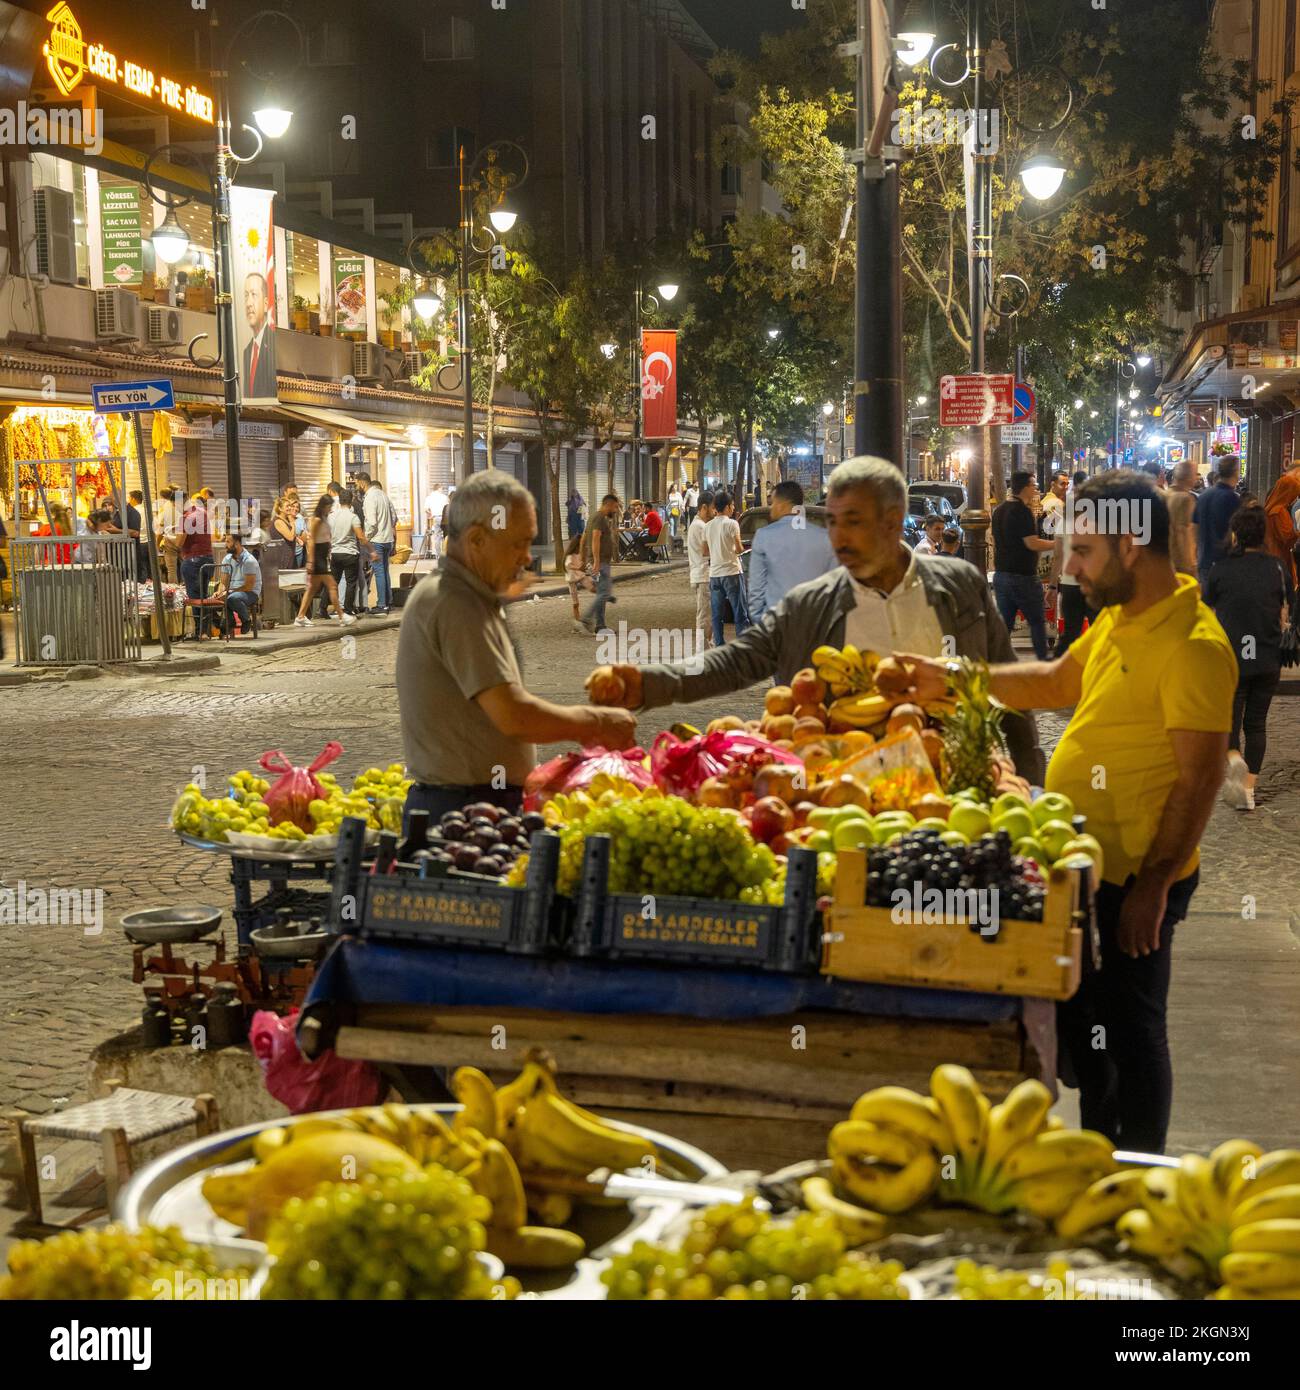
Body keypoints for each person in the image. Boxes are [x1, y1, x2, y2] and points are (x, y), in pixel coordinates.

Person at [904, 470, 1236, 1154]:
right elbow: (1053, 682)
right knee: (1095, 1037)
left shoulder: (1193, 647)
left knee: (1134, 1032)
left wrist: (1154, 887)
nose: (1067, 566)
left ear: (1130, 545)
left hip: (1136, 876)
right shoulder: (1122, 618)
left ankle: (1137, 1170)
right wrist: (950, 680)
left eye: (1082, 549)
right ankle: (1098, 1152)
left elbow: (1201, 780)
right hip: (1085, 867)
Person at [587, 456, 1043, 781]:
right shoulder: (811, 605)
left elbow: (1007, 685)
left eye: (854, 522)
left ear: (893, 520)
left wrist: (1030, 777)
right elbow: (735, 662)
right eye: (835, 522)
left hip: (953, 792)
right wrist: (648, 682)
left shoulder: (960, 587)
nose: (838, 536)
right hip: (839, 796)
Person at [397, 471, 637, 824]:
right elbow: (513, 715)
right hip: (461, 813)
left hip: (477, 803)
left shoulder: (469, 597)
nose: (527, 557)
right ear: (477, 540)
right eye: (517, 544)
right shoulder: (454, 603)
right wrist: (597, 721)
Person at [1205, 503, 1293, 812]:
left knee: (1230, 720)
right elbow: (1290, 606)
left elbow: (1206, 609)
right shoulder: (1278, 568)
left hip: (1233, 658)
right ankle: (1249, 789)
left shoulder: (1221, 569)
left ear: (1235, 534)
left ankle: (1234, 759)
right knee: (1257, 724)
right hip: (1267, 656)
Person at [748, 480, 836, 620]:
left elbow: (756, 586)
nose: (771, 508)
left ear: (782, 506)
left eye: (773, 503)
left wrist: (758, 619)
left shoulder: (764, 537)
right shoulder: (825, 538)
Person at [991, 470, 1055, 660]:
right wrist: (1057, 543)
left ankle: (996, 662)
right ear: (1025, 487)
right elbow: (1032, 543)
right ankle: (1043, 663)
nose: (1036, 489)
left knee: (1005, 624)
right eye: (1034, 485)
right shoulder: (1022, 512)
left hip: (1001, 575)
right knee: (1036, 621)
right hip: (1023, 577)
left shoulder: (1000, 510)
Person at [1054, 470, 1096, 656]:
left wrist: (1052, 587)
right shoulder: (1098, 523)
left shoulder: (1064, 522)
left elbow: (1058, 556)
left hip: (1069, 585)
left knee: (1071, 631)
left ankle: (1061, 668)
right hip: (1093, 585)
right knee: (1098, 631)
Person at [295, 495, 350, 627]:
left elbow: (325, 536)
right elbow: (312, 540)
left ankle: (300, 616)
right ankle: (342, 616)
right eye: (328, 506)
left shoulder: (324, 518)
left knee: (312, 589)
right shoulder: (317, 520)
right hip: (317, 556)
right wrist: (311, 560)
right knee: (331, 585)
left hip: (322, 555)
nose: (330, 509)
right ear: (323, 506)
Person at [706, 490, 748, 645]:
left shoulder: (708, 526)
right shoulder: (732, 524)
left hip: (715, 574)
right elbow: (738, 548)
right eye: (732, 506)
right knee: (739, 612)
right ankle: (741, 646)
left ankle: (719, 646)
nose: (733, 508)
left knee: (717, 615)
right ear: (728, 507)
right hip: (732, 572)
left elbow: (705, 550)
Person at [1193, 454, 1243, 584]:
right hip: (1224, 561)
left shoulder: (1203, 496)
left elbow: (1194, 528)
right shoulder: (1232, 498)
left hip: (1204, 560)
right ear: (1235, 472)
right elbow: (1236, 531)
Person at [327, 486, 373, 618]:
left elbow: (327, 536)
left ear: (339, 501)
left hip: (335, 553)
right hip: (350, 553)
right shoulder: (353, 517)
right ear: (351, 501)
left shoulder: (331, 517)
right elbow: (361, 537)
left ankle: (335, 608)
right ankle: (347, 609)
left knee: (334, 582)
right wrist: (371, 551)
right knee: (351, 582)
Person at [356, 472, 397, 614]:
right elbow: (394, 517)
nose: (357, 487)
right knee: (384, 571)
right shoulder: (384, 495)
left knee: (379, 572)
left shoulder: (370, 498)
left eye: (357, 484)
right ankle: (388, 601)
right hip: (387, 539)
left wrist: (365, 538)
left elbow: (372, 522)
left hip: (377, 540)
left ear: (362, 483)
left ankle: (381, 605)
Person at [579, 494, 621, 634]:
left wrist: (583, 558)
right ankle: (585, 619)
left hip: (598, 561)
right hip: (600, 562)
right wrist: (596, 561)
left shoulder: (593, 517)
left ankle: (601, 626)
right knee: (604, 593)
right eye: (615, 507)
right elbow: (595, 538)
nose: (615, 510)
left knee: (601, 593)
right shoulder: (598, 519)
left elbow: (584, 538)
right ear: (607, 505)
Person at [179, 491, 215, 639]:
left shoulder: (186, 518)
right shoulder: (202, 512)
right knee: (204, 596)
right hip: (208, 559)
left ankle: (200, 632)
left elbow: (179, 542)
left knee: (195, 597)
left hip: (193, 560)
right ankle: (205, 631)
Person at [1262, 455, 1300, 589]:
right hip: (1279, 557)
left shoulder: (1270, 508)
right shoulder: (1279, 511)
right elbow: (1287, 537)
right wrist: (1297, 533)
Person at [217, 532, 262, 637]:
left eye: (228, 541)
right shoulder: (227, 559)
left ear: (237, 543)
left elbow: (248, 586)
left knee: (231, 598)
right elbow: (223, 582)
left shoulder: (249, 561)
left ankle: (245, 620)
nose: (225, 544)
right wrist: (219, 591)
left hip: (250, 593)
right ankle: (230, 622)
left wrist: (229, 592)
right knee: (218, 599)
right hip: (233, 592)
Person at [687, 490, 716, 649]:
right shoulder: (699, 526)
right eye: (712, 508)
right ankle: (703, 650)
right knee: (705, 615)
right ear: (704, 507)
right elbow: (708, 550)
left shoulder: (700, 525)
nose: (714, 511)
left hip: (704, 574)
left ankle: (707, 646)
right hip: (703, 575)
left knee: (708, 614)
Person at [241, 271, 277, 398]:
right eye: (246, 296)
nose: (249, 303)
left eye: (254, 295)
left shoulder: (275, 345)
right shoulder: (247, 352)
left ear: (266, 304)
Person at [1165, 458, 1198, 578]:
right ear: (1189, 477)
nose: (1196, 477)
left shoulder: (1166, 494)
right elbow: (1183, 532)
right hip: (1180, 562)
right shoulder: (1185, 498)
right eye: (1195, 474)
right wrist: (1189, 564)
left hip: (1166, 558)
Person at [110, 488, 148, 580]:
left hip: (130, 555)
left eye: (112, 498)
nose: (111, 500)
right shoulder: (117, 512)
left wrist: (115, 530)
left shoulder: (133, 513)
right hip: (119, 555)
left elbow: (135, 533)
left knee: (131, 580)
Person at [563, 532, 594, 624]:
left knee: (591, 587)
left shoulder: (580, 554)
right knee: (575, 602)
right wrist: (578, 568)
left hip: (580, 575)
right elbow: (568, 565)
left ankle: (601, 595)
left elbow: (584, 564)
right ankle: (577, 619)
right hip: (572, 578)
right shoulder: (570, 556)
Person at [156, 484, 182, 583]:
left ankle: (174, 592)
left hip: (170, 541)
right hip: (182, 539)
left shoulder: (165, 507)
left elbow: (161, 528)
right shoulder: (183, 506)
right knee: (184, 567)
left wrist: (157, 543)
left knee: (171, 570)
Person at [272, 495, 304, 564]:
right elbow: (290, 537)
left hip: (289, 555)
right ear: (280, 508)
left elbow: (289, 534)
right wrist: (292, 522)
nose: (290, 508)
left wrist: (297, 539)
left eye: (290, 505)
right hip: (282, 557)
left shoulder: (285, 519)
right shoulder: (279, 521)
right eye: (287, 506)